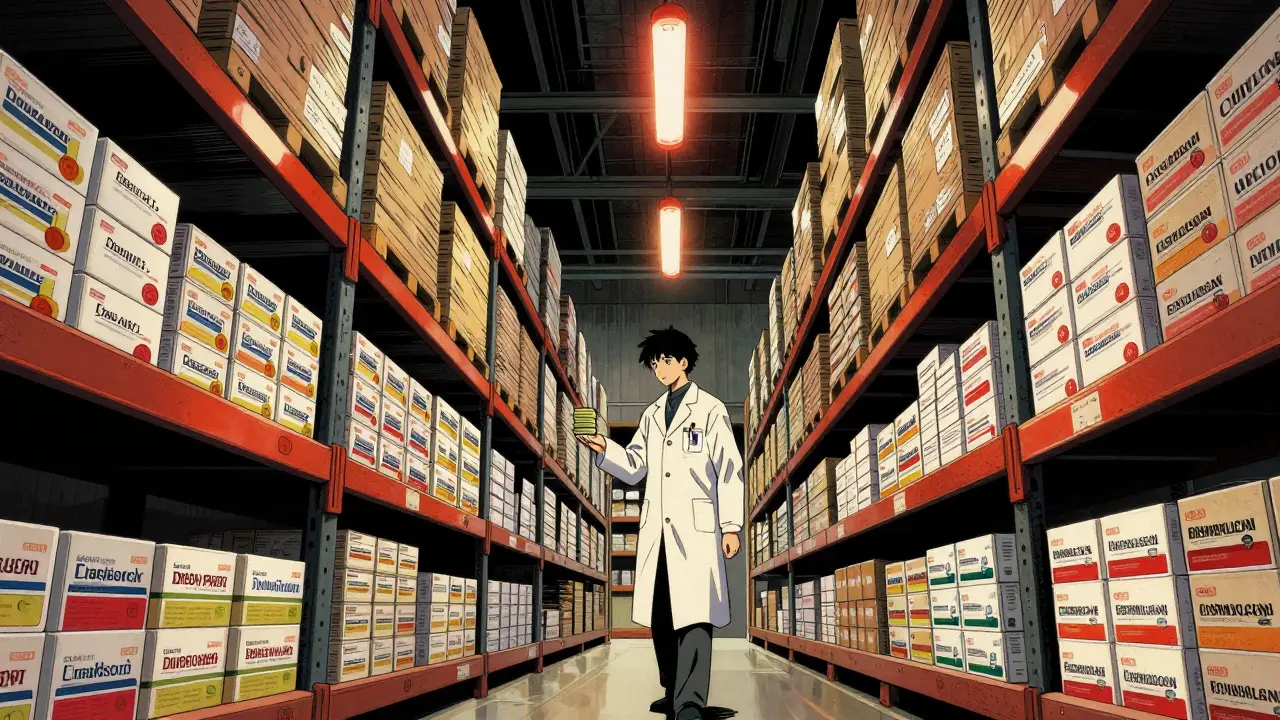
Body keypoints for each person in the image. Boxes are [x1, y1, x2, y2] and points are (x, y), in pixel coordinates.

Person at [577, 326, 744, 719]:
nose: (660, 369)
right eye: (654, 364)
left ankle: (689, 703)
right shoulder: (652, 415)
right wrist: (605, 447)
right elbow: (635, 466)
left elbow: (730, 469)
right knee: (662, 615)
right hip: (660, 533)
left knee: (696, 619)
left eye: (666, 361)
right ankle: (672, 690)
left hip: (698, 530)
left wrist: (731, 525)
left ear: (683, 362)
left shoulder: (711, 409)